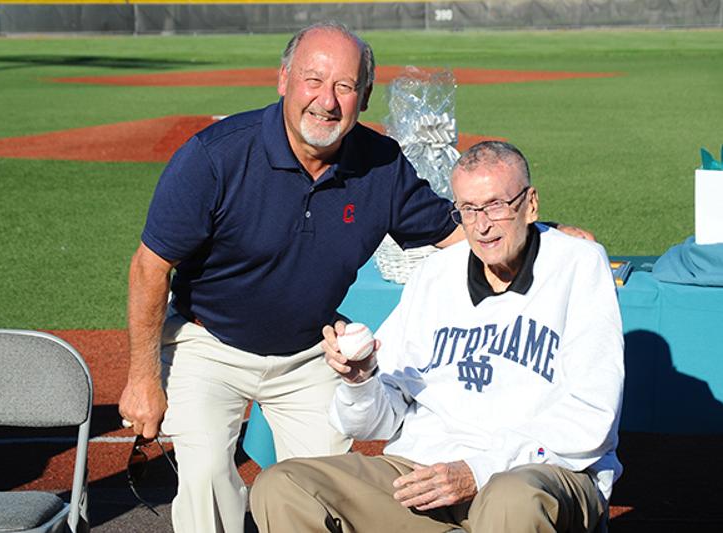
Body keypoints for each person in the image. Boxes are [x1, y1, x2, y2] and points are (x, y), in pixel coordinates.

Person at [118, 21, 465, 533]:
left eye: (344, 86)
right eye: (312, 80)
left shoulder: (381, 165)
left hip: (309, 350)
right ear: (283, 79)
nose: (326, 101)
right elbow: (151, 265)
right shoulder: (215, 156)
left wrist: (542, 233)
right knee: (207, 474)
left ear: (364, 97)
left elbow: (457, 234)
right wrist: (143, 379)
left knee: (327, 486)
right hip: (208, 342)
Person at [250, 141, 624, 533]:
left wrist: (478, 471)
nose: (481, 226)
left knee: (511, 499)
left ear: (530, 204)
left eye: (496, 205)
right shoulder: (435, 274)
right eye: (468, 209)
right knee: (283, 486)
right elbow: (376, 422)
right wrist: (360, 381)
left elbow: (590, 419)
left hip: (536, 474)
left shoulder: (579, 265)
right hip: (424, 476)